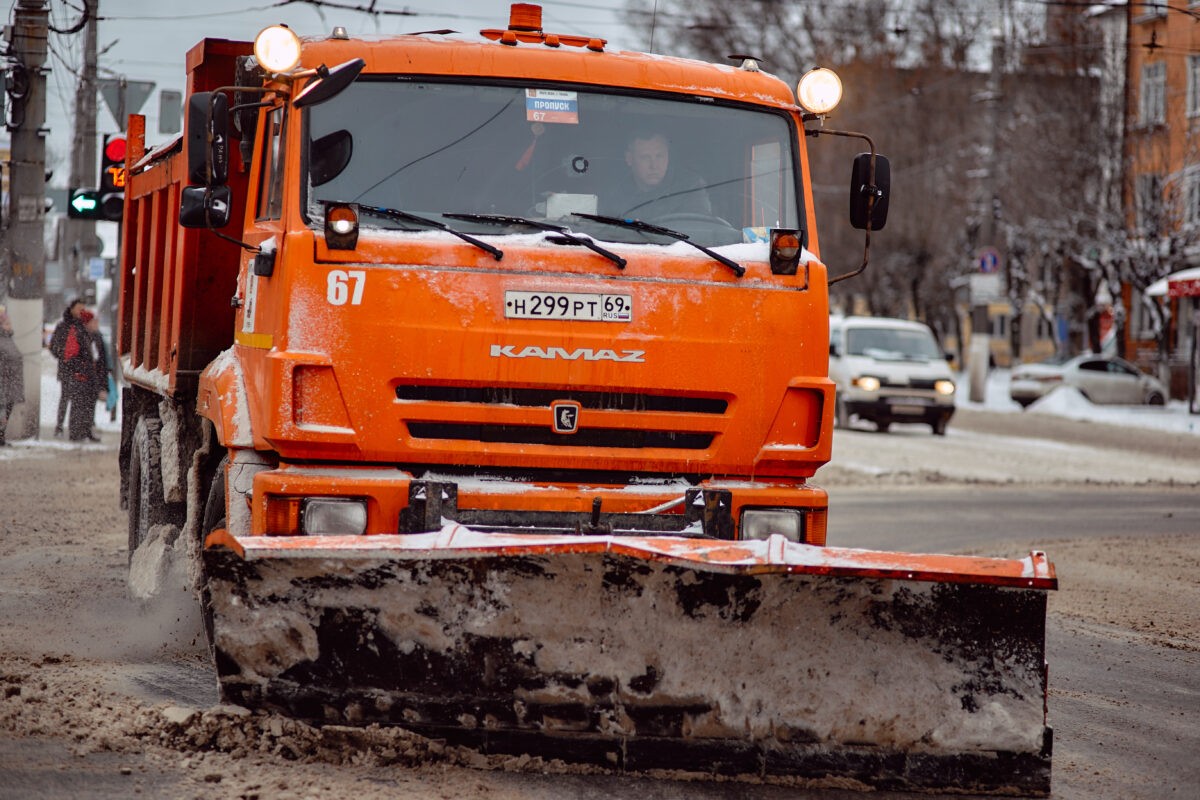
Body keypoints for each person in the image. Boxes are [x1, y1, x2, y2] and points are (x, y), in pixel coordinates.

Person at [605, 130, 713, 220]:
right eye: (645, 157)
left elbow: (698, 231)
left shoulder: (690, 188)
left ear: (668, 157)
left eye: (659, 156)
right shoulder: (616, 192)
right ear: (629, 159)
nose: (654, 165)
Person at [62, 309, 104, 442]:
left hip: (89, 378)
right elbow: (70, 357)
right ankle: (75, 433)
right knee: (78, 406)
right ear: (87, 322)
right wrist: (82, 369)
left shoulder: (90, 335)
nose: (95, 324)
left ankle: (86, 431)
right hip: (80, 378)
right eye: (93, 322)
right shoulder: (77, 333)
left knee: (88, 406)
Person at [49, 298, 86, 437]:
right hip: (66, 368)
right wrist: (63, 355)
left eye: (83, 309)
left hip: (79, 369)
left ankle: (74, 428)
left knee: (78, 399)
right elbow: (53, 346)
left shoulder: (82, 326)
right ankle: (59, 426)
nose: (80, 312)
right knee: (65, 397)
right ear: (72, 309)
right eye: (79, 309)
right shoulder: (63, 326)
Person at [0, 307, 24, 447]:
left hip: (11, 382)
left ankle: (1, 436)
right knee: (2, 411)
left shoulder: (8, 339)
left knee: (7, 410)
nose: (10, 326)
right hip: (4, 382)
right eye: (6, 323)